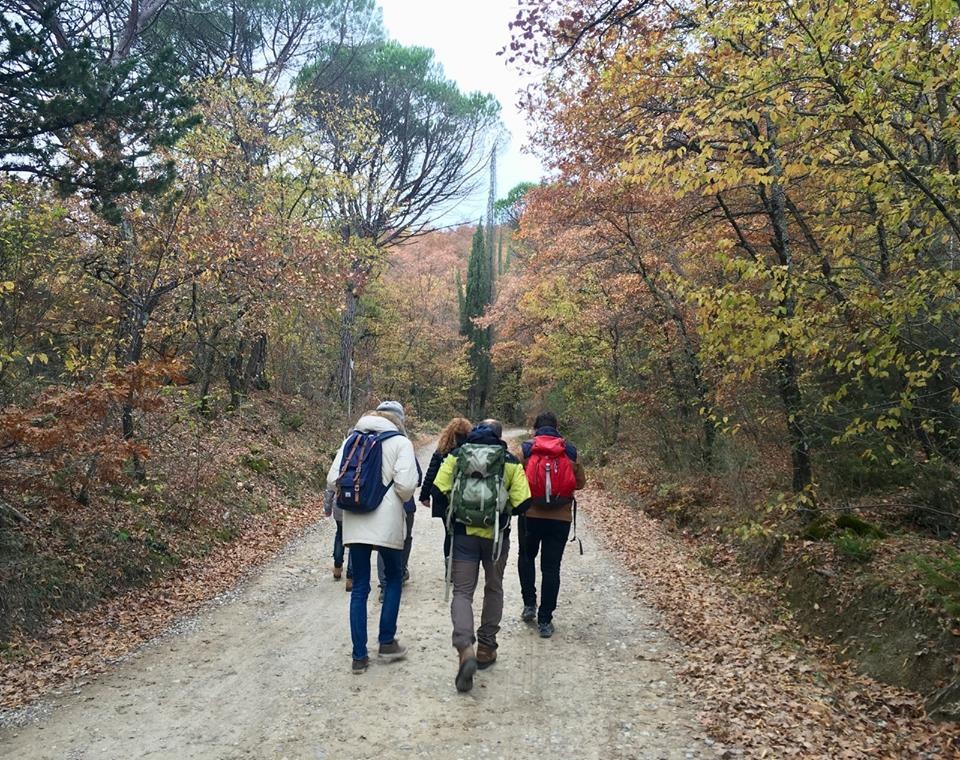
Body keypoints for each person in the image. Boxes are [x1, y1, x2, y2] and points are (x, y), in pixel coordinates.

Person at [433, 419, 531, 692]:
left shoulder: (456, 456)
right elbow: (524, 502)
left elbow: (437, 490)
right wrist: (502, 509)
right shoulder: (509, 461)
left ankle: (465, 648)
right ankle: (487, 647)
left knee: (462, 593)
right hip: (496, 537)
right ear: (500, 437)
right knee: (494, 587)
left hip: (463, 535)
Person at [326, 402, 418, 673]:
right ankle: (387, 641)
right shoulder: (401, 442)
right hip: (386, 519)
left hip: (356, 518)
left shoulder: (351, 439)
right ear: (396, 420)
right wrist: (393, 498)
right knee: (392, 578)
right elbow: (405, 485)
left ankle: (358, 656)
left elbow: (333, 479)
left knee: (360, 587)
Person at [517, 411, 586, 639]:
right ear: (556, 427)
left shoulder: (526, 449)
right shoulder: (570, 450)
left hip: (530, 515)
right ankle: (545, 620)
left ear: (536, 427)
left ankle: (529, 604)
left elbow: (516, 479)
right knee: (551, 568)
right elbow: (581, 483)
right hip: (560, 519)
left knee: (526, 558)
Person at [419, 416, 472, 561]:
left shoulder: (441, 451)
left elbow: (431, 474)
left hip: (443, 498)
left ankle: (449, 564)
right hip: (467, 498)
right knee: (463, 533)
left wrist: (424, 495)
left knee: (449, 532)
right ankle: (462, 565)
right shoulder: (471, 451)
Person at [323, 485, 353, 591]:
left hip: (339, 507)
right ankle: (350, 577)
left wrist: (327, 510)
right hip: (355, 506)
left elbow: (329, 490)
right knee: (354, 542)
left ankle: (337, 567)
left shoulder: (337, 467)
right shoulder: (363, 467)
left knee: (340, 535)